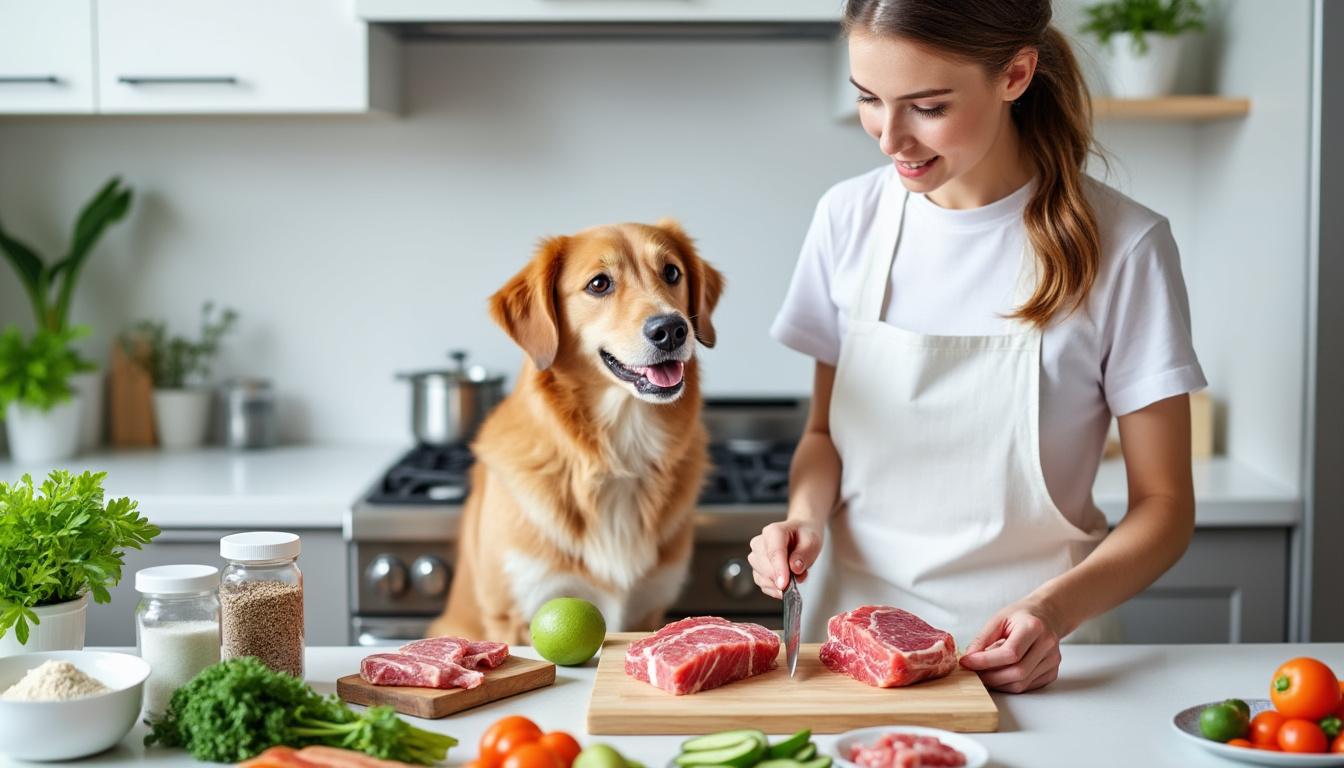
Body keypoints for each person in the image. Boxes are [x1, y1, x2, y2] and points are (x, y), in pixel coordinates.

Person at [748, 0, 1206, 693]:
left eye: (927, 106)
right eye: (869, 99)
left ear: (1016, 73)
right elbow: (823, 433)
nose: (889, 138)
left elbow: (1166, 508)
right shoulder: (849, 219)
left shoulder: (1126, 246)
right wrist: (803, 518)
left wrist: (1053, 611)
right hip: (853, 660)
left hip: (1041, 661)